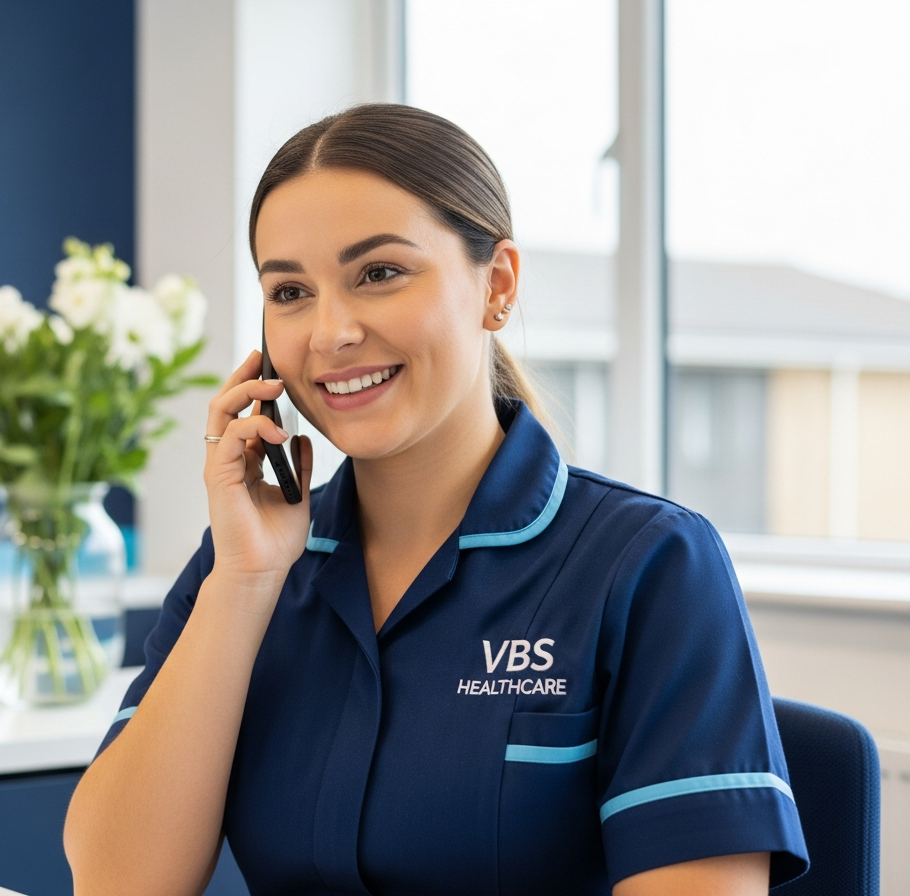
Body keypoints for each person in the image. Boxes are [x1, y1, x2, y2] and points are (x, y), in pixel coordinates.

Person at [64, 104, 807, 896]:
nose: (330, 333)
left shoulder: (650, 564)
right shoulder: (244, 563)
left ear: (498, 286)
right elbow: (118, 882)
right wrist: (245, 583)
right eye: (289, 291)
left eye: (379, 274)